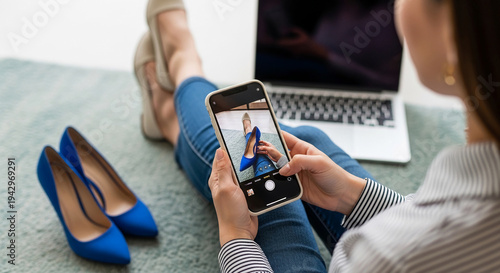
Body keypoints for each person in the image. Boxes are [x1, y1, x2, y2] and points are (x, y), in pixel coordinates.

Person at [135, 0, 500, 272]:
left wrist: (235, 238)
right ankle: (172, 113)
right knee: (302, 142)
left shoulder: (384, 257)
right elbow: (429, 226)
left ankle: (181, 74)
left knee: (267, 198)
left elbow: (419, 241)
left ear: (456, 36)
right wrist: (355, 196)